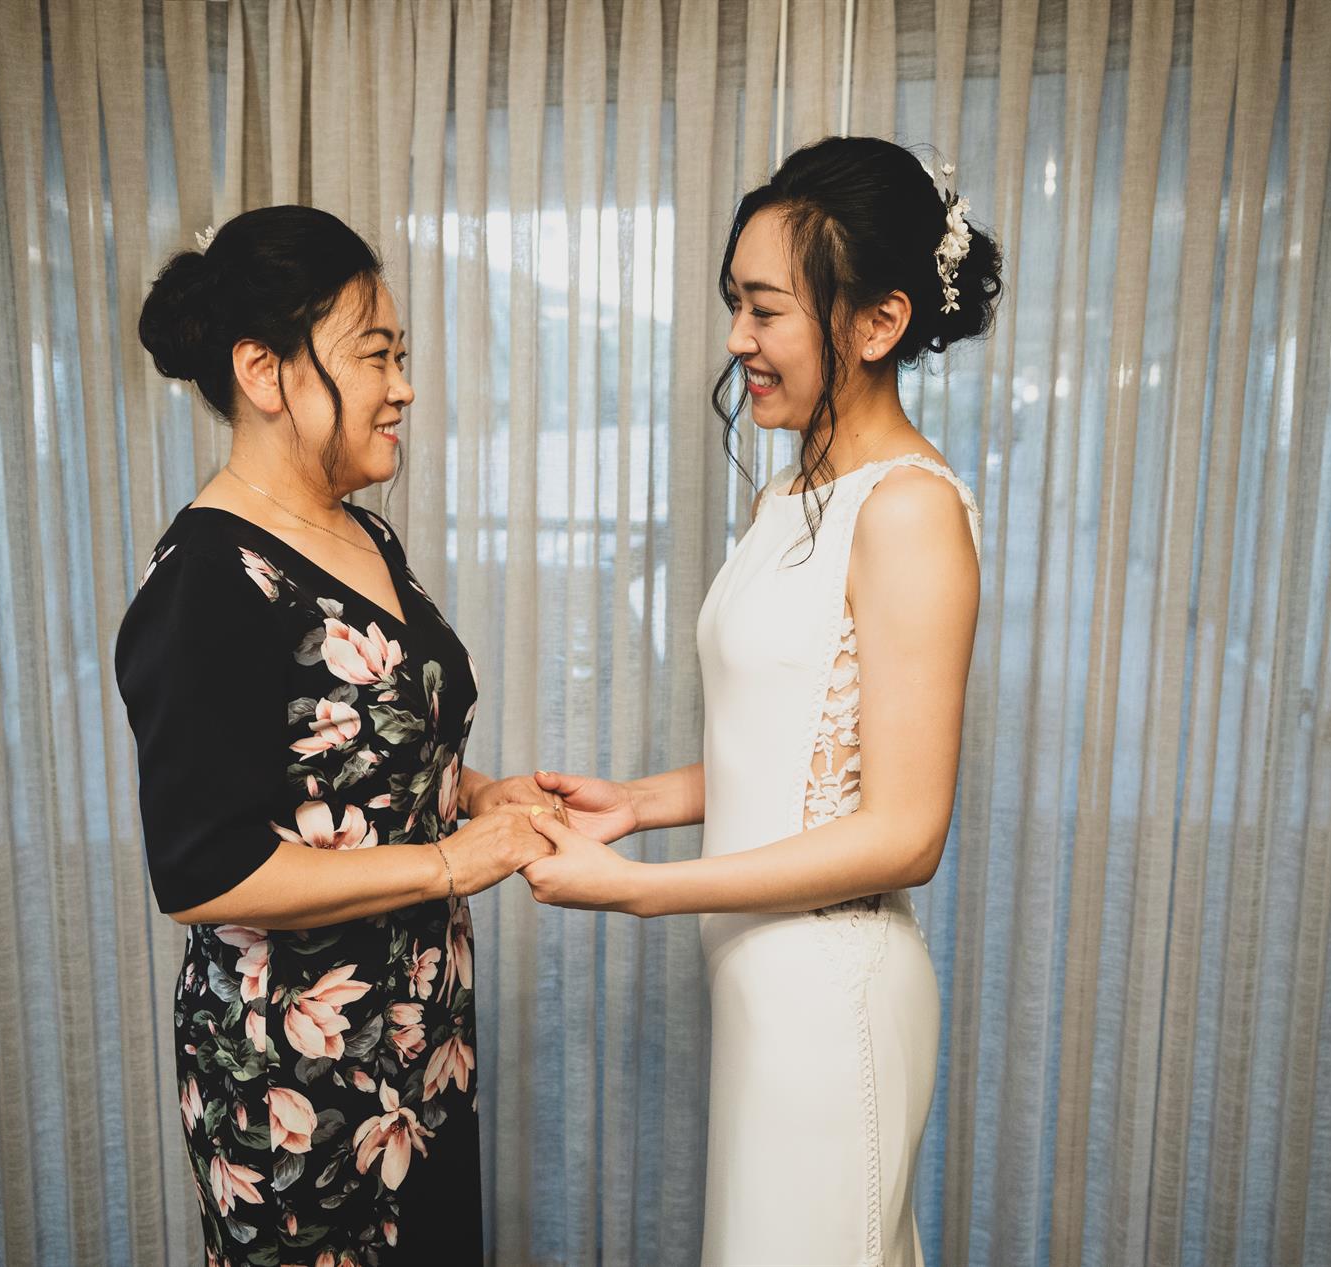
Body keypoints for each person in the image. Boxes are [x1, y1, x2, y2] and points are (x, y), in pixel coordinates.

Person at [511, 136, 1000, 1265]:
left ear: (877, 323)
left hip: (833, 993)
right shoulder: (786, 494)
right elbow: (796, 746)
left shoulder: (908, 511)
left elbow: (906, 833)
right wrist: (637, 802)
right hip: (755, 984)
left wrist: (641, 891)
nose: (737, 338)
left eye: (766, 309)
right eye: (735, 303)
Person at [115, 205, 554, 1265]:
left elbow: (354, 746)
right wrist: (451, 860)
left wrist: (475, 792)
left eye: (402, 357)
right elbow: (205, 870)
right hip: (297, 1080)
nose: (402, 388)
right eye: (374, 356)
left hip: (422, 1039)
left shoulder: (363, 532)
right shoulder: (209, 581)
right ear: (263, 371)